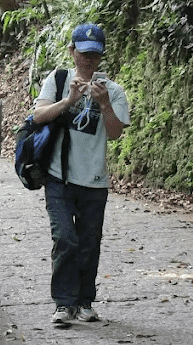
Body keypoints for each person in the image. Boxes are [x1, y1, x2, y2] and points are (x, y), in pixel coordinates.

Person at [27, 23, 131, 327]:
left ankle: (84, 300)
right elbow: (38, 116)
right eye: (83, 54)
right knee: (64, 239)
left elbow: (114, 135)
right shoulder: (58, 80)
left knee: (89, 242)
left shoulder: (113, 91)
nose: (88, 60)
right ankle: (63, 303)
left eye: (94, 55)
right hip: (58, 176)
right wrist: (69, 100)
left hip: (94, 180)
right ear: (72, 52)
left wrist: (104, 103)